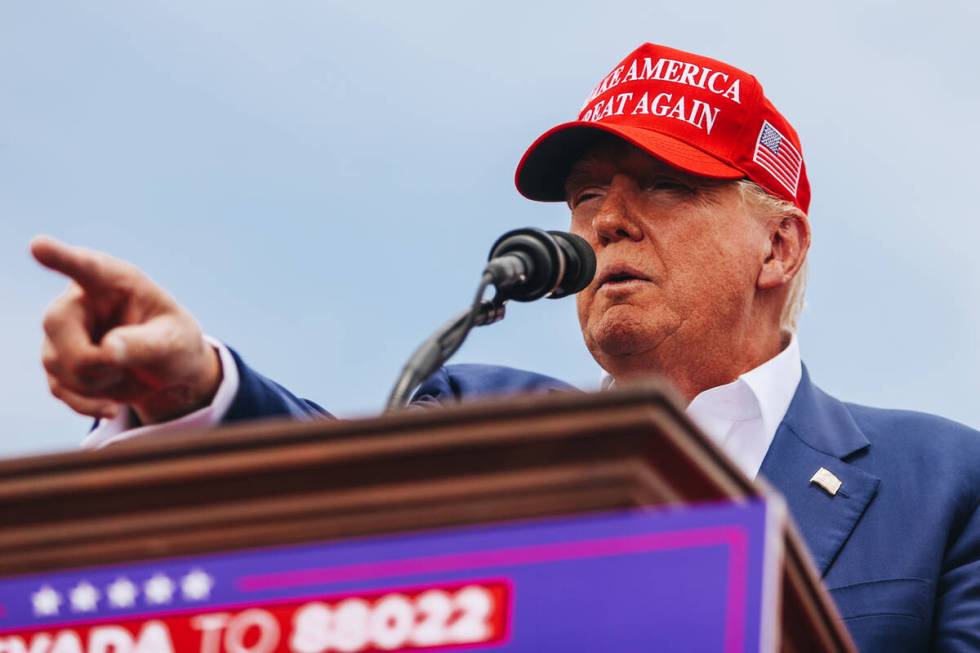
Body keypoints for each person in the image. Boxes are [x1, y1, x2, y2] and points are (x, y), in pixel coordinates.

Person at [32, 43, 979, 651]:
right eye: (585, 197)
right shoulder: (480, 410)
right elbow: (334, 516)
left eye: (660, 185)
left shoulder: (941, 483)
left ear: (778, 244)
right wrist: (192, 383)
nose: (606, 221)